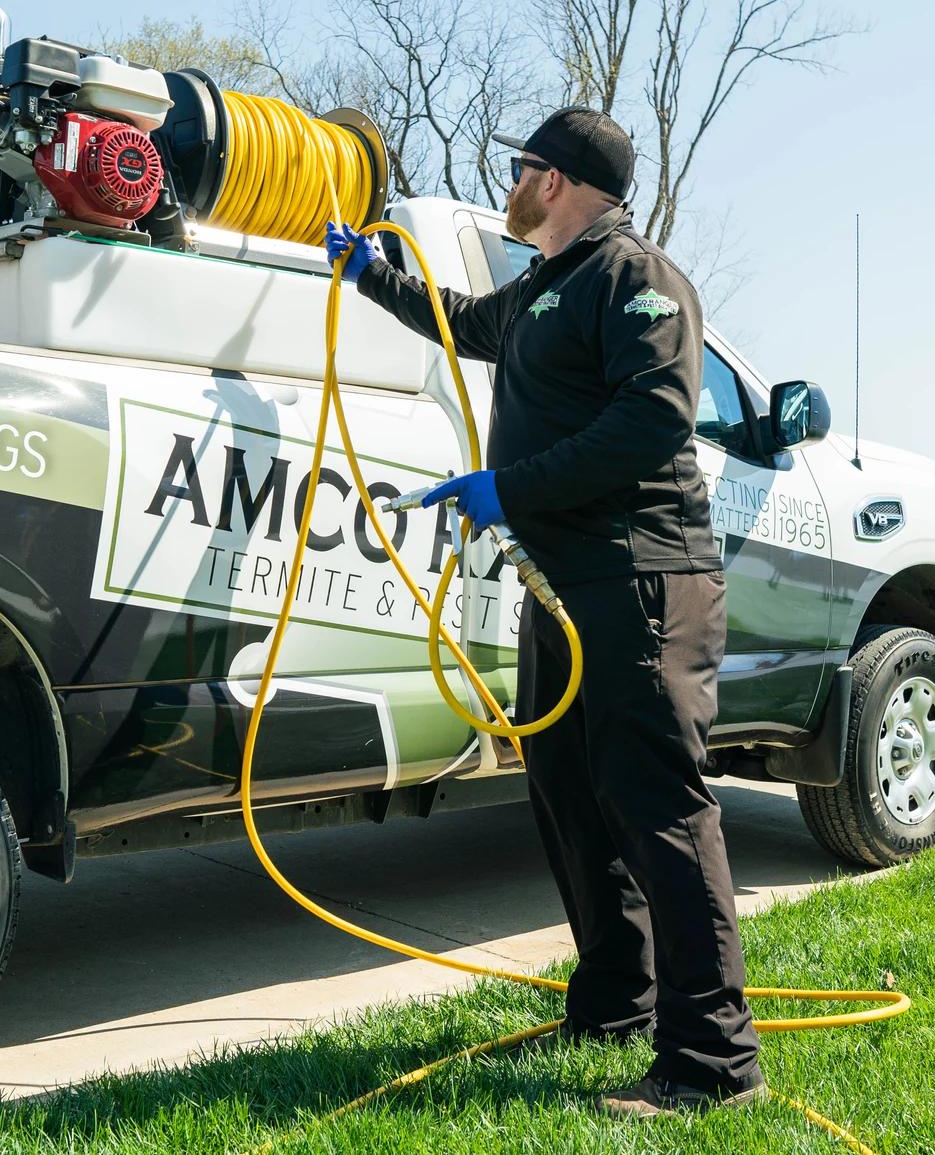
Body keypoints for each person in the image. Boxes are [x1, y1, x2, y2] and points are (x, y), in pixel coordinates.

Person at [325, 107, 765, 1117]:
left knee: (658, 811)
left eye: (520, 169)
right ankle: (617, 1001)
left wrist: (507, 488)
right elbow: (460, 322)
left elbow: (652, 419)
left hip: (641, 583)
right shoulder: (539, 287)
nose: (510, 185)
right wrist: (364, 272)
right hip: (563, 594)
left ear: (556, 180)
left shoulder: (635, 278)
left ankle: (713, 1062)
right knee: (570, 798)